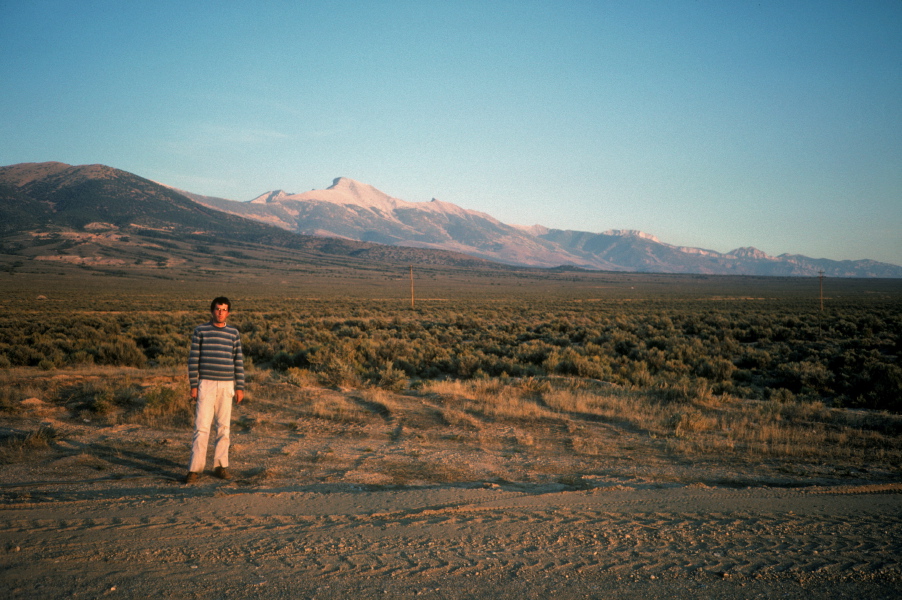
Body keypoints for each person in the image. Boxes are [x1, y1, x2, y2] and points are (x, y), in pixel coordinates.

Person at [185, 296, 245, 484]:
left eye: (224, 309)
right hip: (206, 384)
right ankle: (195, 469)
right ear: (212, 310)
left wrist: (240, 387)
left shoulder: (233, 333)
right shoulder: (200, 331)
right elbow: (193, 359)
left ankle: (221, 466)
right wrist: (194, 385)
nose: (221, 312)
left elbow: (239, 361)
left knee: (223, 427)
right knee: (201, 427)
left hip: (227, 385)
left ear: (228, 312)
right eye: (218, 309)